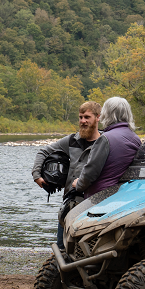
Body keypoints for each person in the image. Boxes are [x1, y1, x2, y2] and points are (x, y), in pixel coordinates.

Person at [32, 101, 102, 245]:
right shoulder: (72, 140)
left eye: (87, 117)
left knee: (89, 246)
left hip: (95, 204)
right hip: (70, 203)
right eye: (80, 117)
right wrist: (36, 175)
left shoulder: (104, 142)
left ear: (98, 118)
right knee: (61, 245)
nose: (83, 121)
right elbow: (43, 151)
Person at [71, 97, 142, 197]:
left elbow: (91, 171)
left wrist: (78, 184)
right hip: (123, 194)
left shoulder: (105, 138)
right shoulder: (135, 138)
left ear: (107, 113)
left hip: (100, 197)